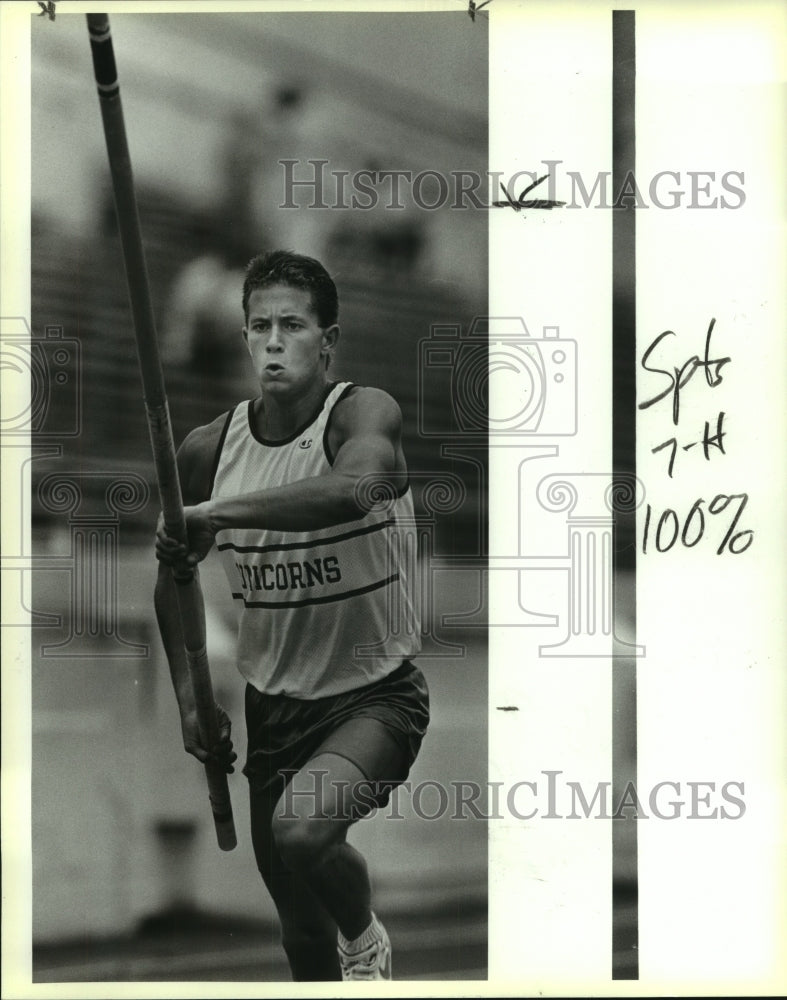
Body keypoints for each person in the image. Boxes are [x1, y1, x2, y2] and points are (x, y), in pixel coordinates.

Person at [154, 250, 429, 981]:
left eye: (292, 325)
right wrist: (192, 703)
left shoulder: (362, 415)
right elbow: (171, 577)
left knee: (303, 833)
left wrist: (215, 513)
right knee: (302, 943)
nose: (273, 340)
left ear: (326, 341)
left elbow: (352, 489)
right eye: (259, 326)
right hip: (274, 711)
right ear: (244, 338)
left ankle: (365, 939)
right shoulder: (208, 450)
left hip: (372, 697)